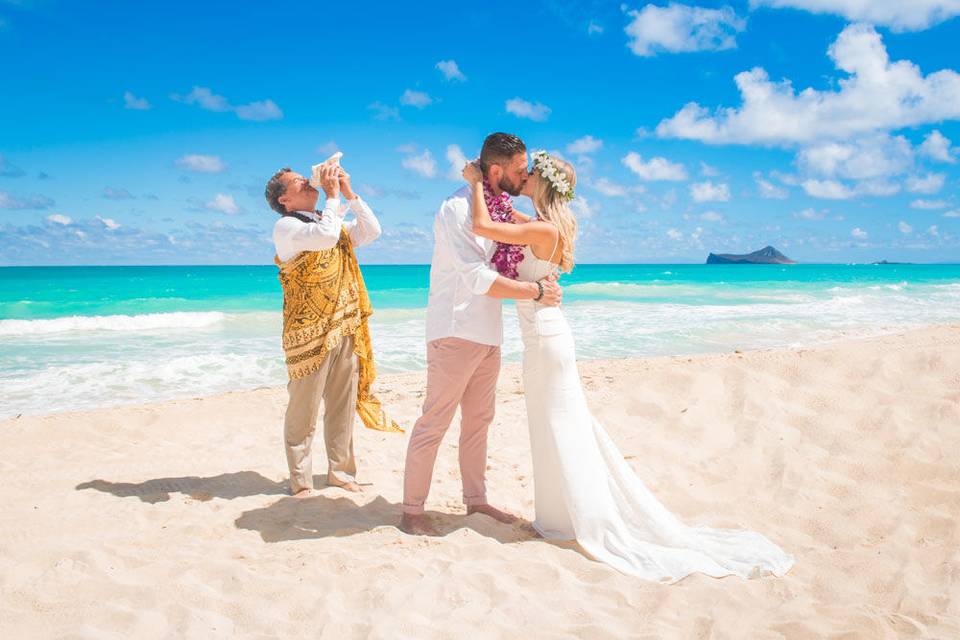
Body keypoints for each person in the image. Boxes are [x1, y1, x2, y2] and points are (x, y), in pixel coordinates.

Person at [460, 151, 795, 582]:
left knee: (561, 428)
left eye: (529, 174)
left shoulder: (543, 228)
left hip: (545, 338)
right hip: (542, 336)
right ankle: (561, 518)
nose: (522, 177)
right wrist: (493, 189)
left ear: (543, 184)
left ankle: (582, 521)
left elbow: (484, 226)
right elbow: (504, 218)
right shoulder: (548, 224)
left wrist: (474, 181)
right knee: (554, 428)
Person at [399, 133, 562, 536]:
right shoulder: (457, 208)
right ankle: (412, 511)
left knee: (479, 421)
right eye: (520, 170)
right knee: (434, 421)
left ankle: (476, 501)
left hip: (488, 331)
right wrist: (536, 291)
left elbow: (528, 241)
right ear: (495, 170)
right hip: (455, 328)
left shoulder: (498, 208)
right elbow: (475, 277)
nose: (525, 177)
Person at [265, 162, 402, 498]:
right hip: (307, 334)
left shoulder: (331, 221)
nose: (306, 182)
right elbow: (325, 237)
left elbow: (371, 231)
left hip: (343, 326)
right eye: (298, 182)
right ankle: (300, 480)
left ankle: (340, 472)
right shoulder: (285, 226)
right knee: (304, 410)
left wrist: (349, 193)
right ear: (285, 200)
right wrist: (332, 195)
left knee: (341, 407)